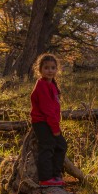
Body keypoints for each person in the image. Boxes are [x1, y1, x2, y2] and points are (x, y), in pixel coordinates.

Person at [29, 53, 66, 186]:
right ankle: (45, 178)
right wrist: (55, 129)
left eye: (52, 68)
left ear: (57, 69)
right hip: (42, 122)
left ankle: (56, 174)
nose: (50, 70)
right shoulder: (42, 85)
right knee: (47, 147)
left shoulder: (51, 85)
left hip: (50, 122)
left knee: (61, 145)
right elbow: (47, 110)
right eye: (46, 68)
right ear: (40, 70)